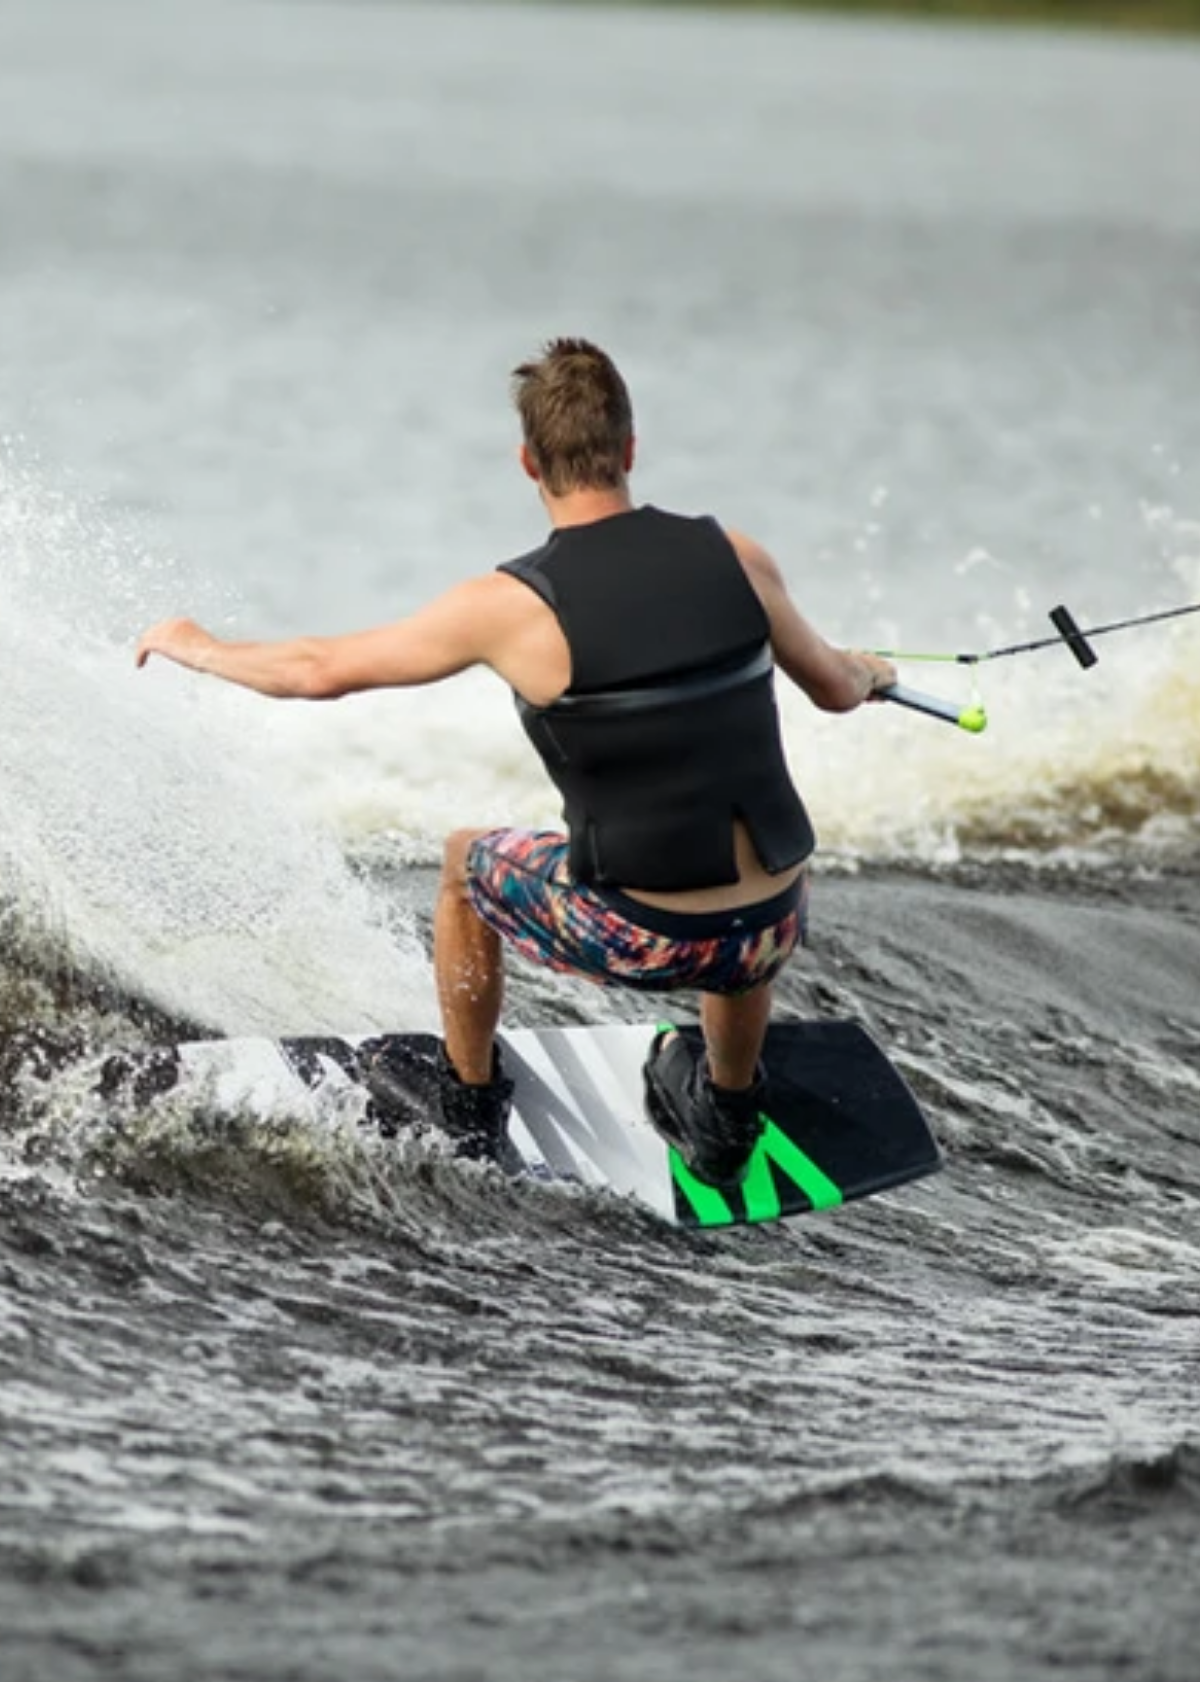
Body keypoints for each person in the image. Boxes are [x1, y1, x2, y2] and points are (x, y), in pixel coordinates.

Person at [137, 338, 895, 1185]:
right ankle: (726, 1109)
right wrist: (871, 671)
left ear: (528, 462)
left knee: (467, 862)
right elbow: (835, 686)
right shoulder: (739, 555)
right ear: (631, 450)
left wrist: (198, 648)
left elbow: (318, 672)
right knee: (732, 815)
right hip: (772, 932)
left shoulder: (510, 606)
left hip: (647, 938)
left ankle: (468, 1106)